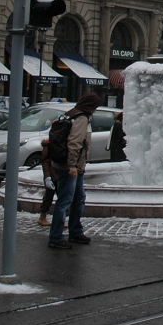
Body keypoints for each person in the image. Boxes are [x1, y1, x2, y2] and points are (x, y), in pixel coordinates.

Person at [48, 93, 100, 249]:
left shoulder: (70, 113)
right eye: (95, 107)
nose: (96, 110)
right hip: (70, 167)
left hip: (75, 166)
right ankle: (56, 237)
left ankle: (75, 231)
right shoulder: (81, 118)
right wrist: (72, 165)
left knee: (78, 199)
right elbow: (74, 142)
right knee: (65, 201)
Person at [37, 137, 55, 227]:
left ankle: (43, 216)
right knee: (48, 197)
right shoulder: (48, 146)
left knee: (53, 197)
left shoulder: (53, 143)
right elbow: (45, 163)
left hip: (55, 175)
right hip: (53, 176)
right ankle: (42, 217)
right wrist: (47, 177)